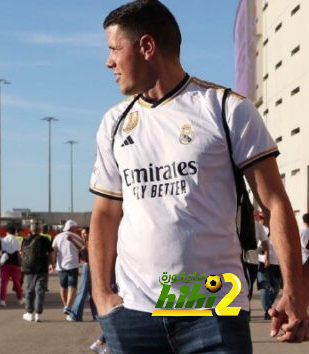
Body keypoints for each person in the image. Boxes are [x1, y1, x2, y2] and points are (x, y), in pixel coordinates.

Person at [89, 1, 308, 351]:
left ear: (146, 47)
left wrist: (293, 292)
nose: (109, 62)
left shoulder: (225, 109)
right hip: (134, 315)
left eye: (115, 49)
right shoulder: (114, 123)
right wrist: (101, 296)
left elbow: (275, 202)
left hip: (213, 308)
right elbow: (105, 213)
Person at [20, 221, 53, 322]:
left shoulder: (25, 240)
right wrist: (52, 264)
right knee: (40, 290)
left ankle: (29, 313)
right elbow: (51, 252)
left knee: (29, 290)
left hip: (29, 269)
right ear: (40, 230)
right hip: (42, 268)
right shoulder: (45, 239)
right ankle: (38, 313)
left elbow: (21, 253)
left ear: (31, 229)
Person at [51, 220, 84, 315]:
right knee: (72, 286)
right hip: (73, 265)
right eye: (76, 228)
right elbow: (82, 249)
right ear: (72, 228)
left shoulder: (58, 237)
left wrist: (52, 264)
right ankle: (68, 306)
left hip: (61, 266)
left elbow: (54, 251)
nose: (76, 229)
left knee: (63, 286)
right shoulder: (77, 237)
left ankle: (66, 305)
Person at [68, 227, 97, 322]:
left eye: (85, 233)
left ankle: (75, 314)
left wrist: (75, 243)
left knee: (82, 290)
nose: (83, 235)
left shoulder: (91, 242)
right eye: (82, 233)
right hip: (92, 267)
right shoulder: (88, 242)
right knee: (92, 292)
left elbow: (87, 255)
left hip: (88, 266)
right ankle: (96, 315)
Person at [258, 216, 282, 321]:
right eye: (261, 218)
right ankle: (268, 310)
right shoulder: (260, 230)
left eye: (264, 218)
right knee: (265, 287)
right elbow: (258, 248)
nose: (262, 220)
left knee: (276, 287)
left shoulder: (278, 231)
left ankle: (268, 305)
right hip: (263, 262)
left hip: (276, 264)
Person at [0, 225, 23, 307]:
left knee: (4, 283)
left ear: (7, 231)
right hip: (15, 264)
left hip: (5, 264)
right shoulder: (17, 240)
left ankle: (2, 300)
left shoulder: (3, 240)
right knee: (17, 283)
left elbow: (0, 251)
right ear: (14, 231)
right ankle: (20, 299)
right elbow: (19, 252)